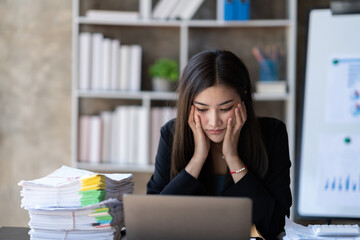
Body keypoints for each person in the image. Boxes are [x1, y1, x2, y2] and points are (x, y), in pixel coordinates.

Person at [147, 49, 292, 239]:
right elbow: (154, 218)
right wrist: (198, 158)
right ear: (188, 104)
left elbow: (275, 223)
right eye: (202, 109)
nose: (214, 122)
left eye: (225, 108)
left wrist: (233, 158)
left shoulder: (272, 134)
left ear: (243, 99)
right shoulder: (172, 134)